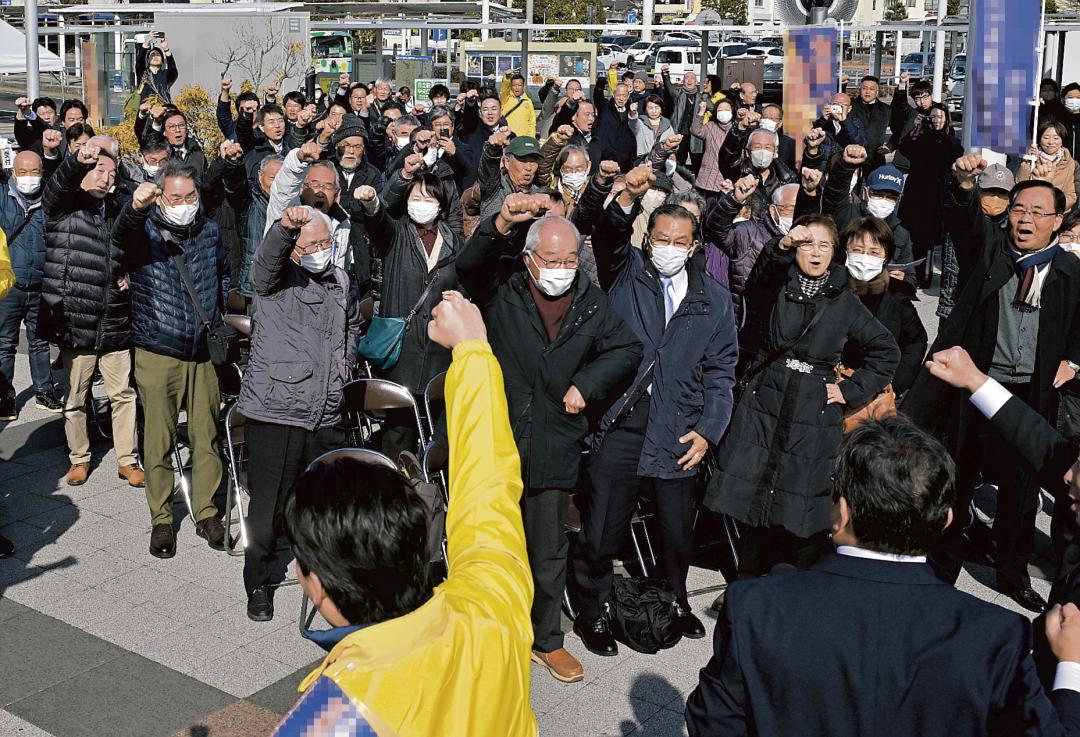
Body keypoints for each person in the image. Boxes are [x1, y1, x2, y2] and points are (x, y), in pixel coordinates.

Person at [685, 413, 1080, 737]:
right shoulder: (997, 635)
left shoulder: (755, 607)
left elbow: (713, 722)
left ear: (840, 512)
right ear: (946, 520)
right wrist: (1071, 666)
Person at [274, 292, 535, 736]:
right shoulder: (489, 603)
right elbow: (488, 489)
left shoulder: (338, 714)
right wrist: (472, 351)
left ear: (315, 583)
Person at [457, 195, 642, 684]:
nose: (562, 269)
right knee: (489, 542)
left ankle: (546, 640)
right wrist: (500, 222)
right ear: (530, 257)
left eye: (569, 260)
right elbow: (468, 264)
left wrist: (588, 383)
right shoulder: (504, 285)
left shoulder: (588, 299)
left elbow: (626, 347)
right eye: (552, 260)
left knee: (546, 548)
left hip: (555, 438)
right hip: (499, 433)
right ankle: (484, 632)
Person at [573, 167, 738, 656]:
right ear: (649, 240)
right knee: (603, 528)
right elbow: (608, 235)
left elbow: (722, 371)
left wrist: (708, 431)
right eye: (661, 238)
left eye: (679, 240)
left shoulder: (714, 300)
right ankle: (594, 610)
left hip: (679, 425)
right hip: (622, 420)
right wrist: (625, 197)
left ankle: (675, 599)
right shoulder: (626, 274)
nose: (669, 246)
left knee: (675, 530)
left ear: (693, 246)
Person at [904, 157, 1080, 613]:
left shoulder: (1069, 271)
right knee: (957, 477)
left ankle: (1012, 572)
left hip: (1031, 393)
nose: (1025, 219)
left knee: (1021, 493)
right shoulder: (991, 252)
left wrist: (1074, 361)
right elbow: (965, 223)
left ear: (1057, 221)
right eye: (1019, 209)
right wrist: (964, 185)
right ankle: (942, 567)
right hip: (975, 386)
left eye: (1038, 212)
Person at [703, 215, 899, 582]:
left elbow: (886, 351)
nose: (816, 252)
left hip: (814, 407)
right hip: (766, 402)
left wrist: (849, 391)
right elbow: (758, 279)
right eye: (808, 244)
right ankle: (746, 584)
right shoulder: (777, 284)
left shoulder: (844, 299)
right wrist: (782, 246)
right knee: (755, 493)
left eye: (825, 245)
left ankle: (788, 585)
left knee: (798, 499)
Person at [235, 205, 360, 621]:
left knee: (323, 506)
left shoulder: (340, 279)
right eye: (312, 245)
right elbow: (267, 258)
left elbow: (352, 326)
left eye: (326, 243)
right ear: (294, 249)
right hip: (277, 410)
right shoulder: (276, 278)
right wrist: (287, 227)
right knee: (268, 508)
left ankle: (327, 578)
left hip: (326, 410)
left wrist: (345, 366)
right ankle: (260, 581)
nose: (321, 251)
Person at [112, 167, 228, 558]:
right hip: (158, 349)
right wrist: (134, 208)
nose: (184, 206)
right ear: (161, 197)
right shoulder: (142, 232)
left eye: (190, 197)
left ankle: (208, 512)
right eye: (175, 198)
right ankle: (161, 519)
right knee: (158, 440)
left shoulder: (209, 230)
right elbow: (118, 237)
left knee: (205, 437)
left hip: (201, 353)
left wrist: (217, 318)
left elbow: (222, 274)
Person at [39, 140, 140, 489]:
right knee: (76, 395)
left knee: (123, 394)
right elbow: (56, 187)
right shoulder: (63, 207)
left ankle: (128, 459)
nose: (105, 179)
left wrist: (129, 276)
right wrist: (75, 161)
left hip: (113, 316)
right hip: (76, 317)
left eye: (111, 174)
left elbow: (131, 249)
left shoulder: (116, 209)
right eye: (99, 171)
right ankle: (79, 458)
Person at [353, 155, 462, 456]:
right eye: (416, 197)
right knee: (399, 430)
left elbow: (462, 282)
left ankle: (433, 489)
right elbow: (378, 222)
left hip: (440, 351)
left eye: (429, 198)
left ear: (440, 204)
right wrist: (373, 202)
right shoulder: (397, 234)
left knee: (440, 428)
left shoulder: (454, 240)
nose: (422, 203)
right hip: (402, 351)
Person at [0, 150, 63, 421]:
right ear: (13, 173)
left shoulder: (48, 202)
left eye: (34, 172)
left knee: (40, 342)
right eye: (23, 172)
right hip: (10, 284)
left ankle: (44, 390)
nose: (29, 178)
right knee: (4, 343)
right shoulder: (3, 197)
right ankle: (4, 397)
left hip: (40, 283)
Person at [840, 217, 928, 396]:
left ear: (885, 257)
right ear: (846, 251)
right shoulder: (833, 288)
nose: (865, 257)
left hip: (879, 389)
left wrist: (895, 384)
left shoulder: (897, 295)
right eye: (858, 250)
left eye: (874, 252)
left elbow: (915, 341)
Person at [817, 145, 917, 288]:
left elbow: (910, 278)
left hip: (878, 302)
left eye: (890, 197)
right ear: (865, 192)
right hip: (842, 293)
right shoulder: (847, 215)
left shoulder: (901, 233)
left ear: (898, 200)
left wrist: (902, 280)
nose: (883, 200)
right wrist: (846, 166)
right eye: (877, 194)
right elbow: (834, 194)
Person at [702, 176, 796, 326]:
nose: (796, 214)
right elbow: (716, 230)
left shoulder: (810, 243)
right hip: (747, 325)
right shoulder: (749, 232)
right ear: (773, 210)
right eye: (791, 208)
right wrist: (734, 200)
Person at [897, 103, 963, 287]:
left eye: (941, 117)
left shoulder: (950, 139)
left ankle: (930, 274)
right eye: (933, 116)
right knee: (915, 234)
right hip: (917, 191)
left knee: (933, 236)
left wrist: (941, 134)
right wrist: (917, 127)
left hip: (938, 192)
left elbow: (956, 152)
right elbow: (905, 148)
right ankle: (916, 272)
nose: (937, 120)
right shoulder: (920, 137)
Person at [477, 130, 541, 224]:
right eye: (522, 160)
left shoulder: (539, 194)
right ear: (507, 162)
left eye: (533, 161)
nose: (528, 167)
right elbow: (488, 169)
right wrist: (493, 150)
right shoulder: (495, 187)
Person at [1018, 120, 1079, 211]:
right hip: (1032, 210)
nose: (1050, 142)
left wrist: (1055, 209)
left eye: (1056, 138)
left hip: (1059, 213)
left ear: (1062, 141)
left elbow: (1071, 195)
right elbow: (1019, 185)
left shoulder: (1070, 163)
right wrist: (1027, 161)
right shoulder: (1031, 159)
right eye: (1046, 137)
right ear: (1039, 139)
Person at [690, 96, 734, 201]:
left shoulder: (737, 130)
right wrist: (701, 111)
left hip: (730, 180)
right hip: (708, 178)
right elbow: (696, 130)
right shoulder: (710, 126)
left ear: (732, 112)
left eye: (727, 110)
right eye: (720, 110)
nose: (724, 113)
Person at [889, 73, 935, 170]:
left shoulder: (941, 114)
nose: (922, 102)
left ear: (932, 95)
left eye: (925, 97)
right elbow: (901, 105)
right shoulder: (912, 114)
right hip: (904, 164)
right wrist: (902, 84)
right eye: (917, 99)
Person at [660, 66, 702, 166]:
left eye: (692, 78)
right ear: (683, 81)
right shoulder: (678, 94)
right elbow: (669, 86)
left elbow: (713, 106)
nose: (689, 80)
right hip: (680, 133)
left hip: (695, 135)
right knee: (678, 162)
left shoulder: (701, 97)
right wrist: (665, 74)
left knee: (697, 163)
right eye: (687, 78)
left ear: (697, 82)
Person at [849, 75, 891, 171]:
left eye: (872, 89)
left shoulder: (886, 109)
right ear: (860, 89)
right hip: (852, 157)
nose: (867, 92)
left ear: (877, 91)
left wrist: (890, 146)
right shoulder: (850, 106)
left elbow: (898, 128)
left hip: (876, 159)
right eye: (864, 88)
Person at [136, 32, 178, 103]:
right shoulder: (143, 73)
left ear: (162, 61)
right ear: (148, 60)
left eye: (158, 55)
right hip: (146, 110)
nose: (155, 57)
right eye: (152, 55)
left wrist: (166, 49)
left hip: (163, 109)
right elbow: (139, 61)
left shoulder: (165, 74)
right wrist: (147, 42)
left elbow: (173, 70)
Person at [500, 71, 536, 139]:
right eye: (514, 85)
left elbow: (532, 123)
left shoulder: (528, 101)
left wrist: (532, 138)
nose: (517, 87)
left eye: (519, 85)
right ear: (511, 86)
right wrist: (507, 78)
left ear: (523, 87)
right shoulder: (506, 98)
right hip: (508, 137)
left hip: (524, 138)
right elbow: (504, 89)